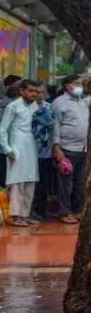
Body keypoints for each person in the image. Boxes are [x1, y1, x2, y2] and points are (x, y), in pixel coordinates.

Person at [0, 80, 42, 227]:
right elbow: (2, 129)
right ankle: (15, 216)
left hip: (31, 146)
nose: (34, 94)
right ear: (22, 91)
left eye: (36, 92)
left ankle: (25, 214)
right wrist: (7, 149)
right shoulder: (13, 106)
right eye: (31, 91)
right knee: (17, 182)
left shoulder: (35, 106)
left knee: (30, 181)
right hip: (16, 146)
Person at [52, 75, 90, 224]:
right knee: (65, 184)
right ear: (68, 86)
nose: (81, 86)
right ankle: (64, 212)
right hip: (66, 149)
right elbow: (54, 126)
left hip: (83, 148)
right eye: (77, 83)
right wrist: (56, 147)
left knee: (79, 183)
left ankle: (76, 210)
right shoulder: (59, 103)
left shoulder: (82, 102)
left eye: (81, 83)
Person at [31, 85, 56, 221]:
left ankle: (42, 211)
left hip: (46, 151)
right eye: (37, 92)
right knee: (32, 183)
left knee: (44, 184)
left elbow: (53, 126)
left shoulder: (49, 106)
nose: (40, 94)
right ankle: (32, 210)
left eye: (42, 92)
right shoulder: (29, 107)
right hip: (32, 150)